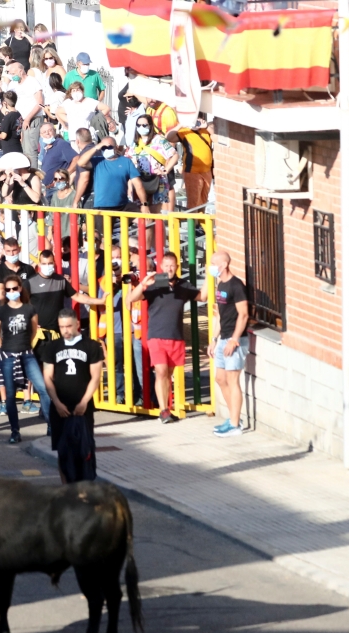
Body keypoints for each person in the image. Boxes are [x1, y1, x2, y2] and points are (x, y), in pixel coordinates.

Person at [125, 252, 200, 423]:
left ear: (177, 267)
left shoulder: (184, 285)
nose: (169, 268)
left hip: (176, 336)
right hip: (156, 335)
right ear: (161, 267)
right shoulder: (155, 283)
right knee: (161, 372)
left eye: (172, 265)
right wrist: (143, 284)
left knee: (169, 374)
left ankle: (167, 407)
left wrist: (213, 280)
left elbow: (202, 296)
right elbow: (130, 300)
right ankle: (163, 411)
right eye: (166, 265)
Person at [41, 309, 104, 484]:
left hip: (83, 408)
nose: (66, 330)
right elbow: (47, 376)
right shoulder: (52, 347)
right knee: (63, 452)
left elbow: (96, 377)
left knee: (85, 449)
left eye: (69, 326)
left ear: (77, 324)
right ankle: (66, 491)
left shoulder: (91, 346)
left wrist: (84, 402)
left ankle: (86, 489)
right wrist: (57, 403)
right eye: (62, 327)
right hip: (60, 407)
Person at [0, 274, 41, 444]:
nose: (12, 291)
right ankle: (15, 431)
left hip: (26, 353)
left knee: (42, 387)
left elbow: (34, 331)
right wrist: (4, 348)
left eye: (14, 288)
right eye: (8, 290)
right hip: (8, 355)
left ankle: (51, 425)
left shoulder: (29, 309)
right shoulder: (2, 310)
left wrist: (27, 345)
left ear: (20, 288)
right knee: (11, 394)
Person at [209, 251, 249, 437]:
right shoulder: (220, 284)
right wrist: (214, 339)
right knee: (220, 379)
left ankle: (234, 425)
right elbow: (219, 315)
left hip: (235, 340)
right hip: (223, 337)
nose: (210, 267)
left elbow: (243, 314)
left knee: (233, 380)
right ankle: (234, 417)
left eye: (213, 263)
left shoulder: (236, 285)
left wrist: (234, 340)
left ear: (224, 265)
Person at [171, 118, 214, 211]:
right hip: (192, 171)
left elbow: (217, 136)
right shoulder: (184, 131)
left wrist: (206, 126)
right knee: (193, 201)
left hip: (207, 170)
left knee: (203, 200)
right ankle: (192, 224)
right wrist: (181, 125)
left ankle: (201, 224)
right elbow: (169, 137)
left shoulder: (205, 130)